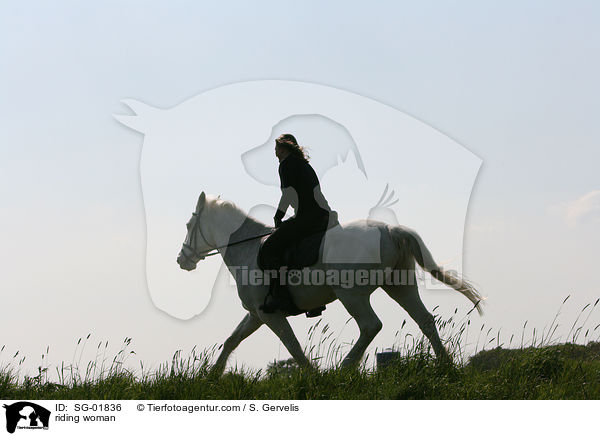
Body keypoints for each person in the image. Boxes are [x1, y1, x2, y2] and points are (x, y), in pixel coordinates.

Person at [259, 133, 337, 315]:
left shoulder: (286, 165)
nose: (275, 153)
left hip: (307, 217)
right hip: (322, 216)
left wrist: (278, 217)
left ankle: (282, 295)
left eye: (276, 149)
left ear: (283, 149)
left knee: (270, 247)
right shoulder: (304, 164)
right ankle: (314, 299)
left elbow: (288, 194)